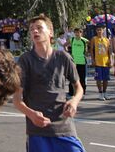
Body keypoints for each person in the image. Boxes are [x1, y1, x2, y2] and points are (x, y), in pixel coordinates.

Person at [13, 14, 85, 152]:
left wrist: (74, 101)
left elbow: (79, 88)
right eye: (32, 29)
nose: (34, 31)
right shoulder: (25, 60)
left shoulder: (63, 57)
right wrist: (31, 114)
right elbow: (16, 100)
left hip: (64, 128)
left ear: (50, 32)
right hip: (38, 131)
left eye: (39, 28)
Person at [90, 24, 113, 101]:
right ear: (96, 31)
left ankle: (105, 92)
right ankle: (100, 93)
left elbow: (109, 51)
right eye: (98, 30)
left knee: (106, 79)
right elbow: (91, 50)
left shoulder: (107, 40)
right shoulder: (94, 39)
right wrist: (92, 60)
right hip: (98, 62)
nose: (99, 31)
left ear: (103, 31)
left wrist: (111, 60)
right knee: (99, 79)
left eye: (101, 30)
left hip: (106, 62)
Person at [68, 28, 88, 97]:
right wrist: (69, 54)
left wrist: (87, 53)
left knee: (82, 78)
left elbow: (91, 46)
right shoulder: (72, 39)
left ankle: (83, 93)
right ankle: (71, 93)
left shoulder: (84, 40)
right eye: (75, 32)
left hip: (82, 62)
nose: (77, 34)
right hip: (73, 62)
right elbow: (65, 45)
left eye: (78, 32)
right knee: (72, 78)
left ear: (81, 33)